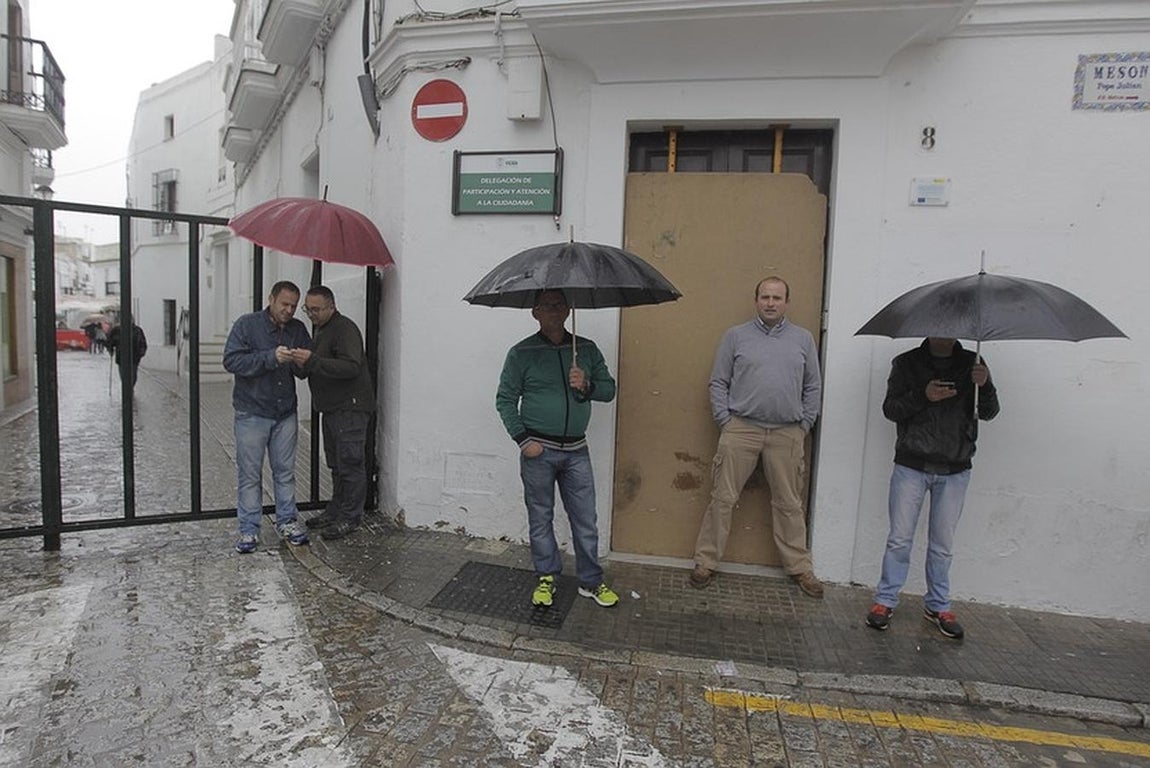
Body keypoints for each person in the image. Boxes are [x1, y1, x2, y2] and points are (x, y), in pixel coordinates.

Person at [690, 276, 824, 598]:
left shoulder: (803, 339)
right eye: (765, 297)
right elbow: (718, 382)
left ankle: (800, 568)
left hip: (787, 433)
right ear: (756, 301)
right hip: (742, 429)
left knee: (789, 503)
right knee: (722, 498)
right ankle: (705, 561)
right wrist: (725, 420)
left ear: (786, 302)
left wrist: (804, 424)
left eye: (777, 297)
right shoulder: (736, 337)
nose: (770, 303)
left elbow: (813, 387)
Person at [865, 338, 999, 639]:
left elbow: (989, 411)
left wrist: (986, 384)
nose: (945, 332)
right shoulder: (907, 362)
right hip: (912, 464)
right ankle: (885, 601)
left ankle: (938, 605)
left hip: (955, 465)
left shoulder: (974, 363)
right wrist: (924, 395)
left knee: (943, 545)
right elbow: (891, 409)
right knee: (899, 540)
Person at [496, 290, 620, 609]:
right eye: (547, 306)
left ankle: (591, 582)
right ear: (535, 313)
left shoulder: (586, 350)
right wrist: (524, 441)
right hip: (539, 451)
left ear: (568, 310)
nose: (554, 311)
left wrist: (586, 384)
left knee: (585, 519)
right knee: (540, 516)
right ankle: (546, 577)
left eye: (560, 305)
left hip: (577, 450)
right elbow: (505, 399)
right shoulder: (522, 353)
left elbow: (608, 391)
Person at [223, 281, 312, 554]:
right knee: (250, 474)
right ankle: (249, 529)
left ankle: (287, 521)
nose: (288, 310)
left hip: (285, 412)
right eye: (284, 304)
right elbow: (232, 361)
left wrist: (303, 360)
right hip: (252, 411)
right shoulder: (247, 325)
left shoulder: (297, 329)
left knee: (285, 472)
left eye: (294, 306)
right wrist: (270, 358)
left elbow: (304, 372)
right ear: (271, 299)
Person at [290, 286, 375, 541]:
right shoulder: (322, 330)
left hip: (349, 408)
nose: (311, 314)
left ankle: (351, 517)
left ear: (331, 306)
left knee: (350, 464)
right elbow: (314, 367)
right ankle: (336, 510)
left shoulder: (344, 328)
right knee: (337, 465)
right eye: (308, 309)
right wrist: (296, 361)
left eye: (316, 309)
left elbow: (351, 366)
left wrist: (312, 360)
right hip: (332, 409)